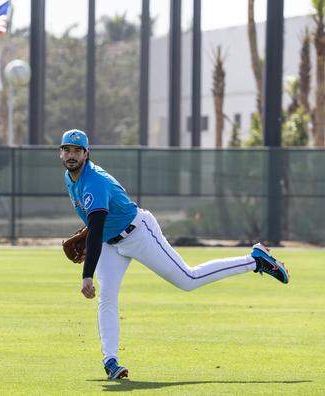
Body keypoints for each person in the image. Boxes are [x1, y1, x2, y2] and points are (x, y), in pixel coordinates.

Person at [59, 129, 289, 380]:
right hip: (109, 243)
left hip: (138, 233)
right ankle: (111, 361)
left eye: (77, 150)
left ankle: (254, 260)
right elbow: (96, 226)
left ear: (86, 154)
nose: (71, 155)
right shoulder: (70, 177)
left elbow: (97, 226)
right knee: (107, 297)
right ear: (61, 153)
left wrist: (87, 275)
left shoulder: (94, 180)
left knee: (188, 279)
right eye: (67, 149)